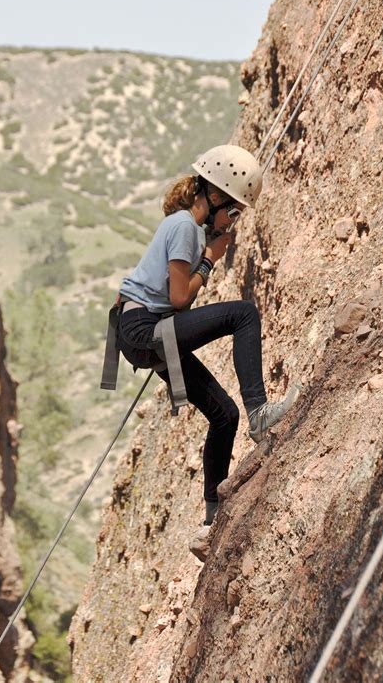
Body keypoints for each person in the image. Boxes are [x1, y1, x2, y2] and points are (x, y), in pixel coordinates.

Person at [114, 145, 300, 527]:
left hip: (142, 330)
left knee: (224, 415)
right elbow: (179, 299)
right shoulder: (184, 227)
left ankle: (212, 519)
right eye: (233, 211)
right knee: (243, 313)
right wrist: (211, 259)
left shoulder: (183, 225)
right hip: (144, 329)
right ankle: (260, 413)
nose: (232, 222)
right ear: (214, 196)